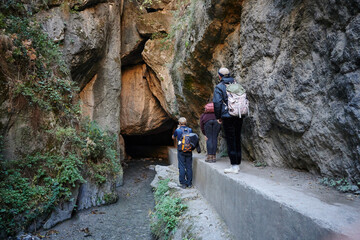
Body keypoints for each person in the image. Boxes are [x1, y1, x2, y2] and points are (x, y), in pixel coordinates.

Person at [213, 67, 243, 174]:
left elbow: (217, 103)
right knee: (237, 138)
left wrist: (218, 116)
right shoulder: (237, 84)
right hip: (239, 114)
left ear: (219, 76)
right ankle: (237, 163)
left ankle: (234, 166)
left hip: (227, 115)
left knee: (230, 139)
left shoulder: (220, 87)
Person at [172, 117, 196, 188]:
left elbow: (173, 137)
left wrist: (176, 131)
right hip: (189, 150)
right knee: (189, 166)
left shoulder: (178, 130)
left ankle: (183, 183)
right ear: (186, 123)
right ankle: (189, 183)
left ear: (179, 123)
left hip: (181, 150)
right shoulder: (190, 129)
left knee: (182, 166)